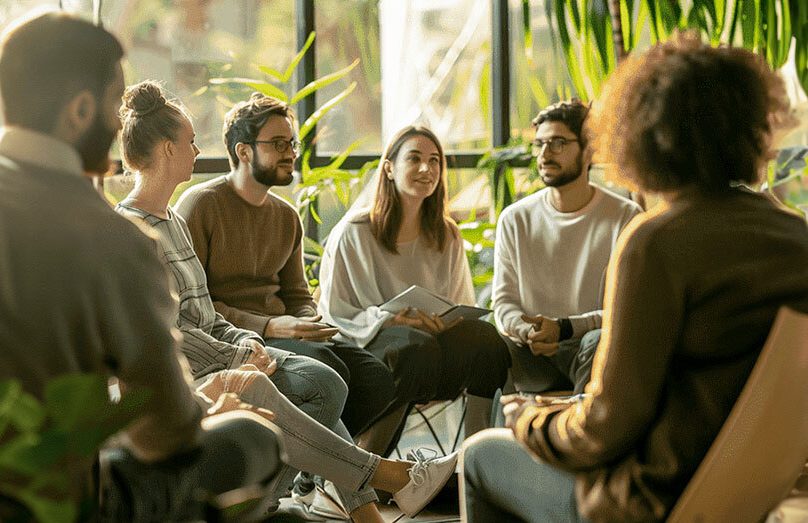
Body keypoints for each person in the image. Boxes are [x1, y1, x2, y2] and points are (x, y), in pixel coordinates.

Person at [461, 34, 808, 522]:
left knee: (479, 455)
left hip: (652, 500)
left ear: (645, 133)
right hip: (744, 494)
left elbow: (604, 428)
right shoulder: (795, 237)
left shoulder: (657, 242)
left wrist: (528, 421)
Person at [0, 12, 282, 520]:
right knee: (254, 437)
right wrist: (208, 407)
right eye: (113, 106)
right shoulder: (120, 243)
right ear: (78, 111)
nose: (122, 125)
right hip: (60, 500)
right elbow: (165, 439)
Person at [113, 81, 456, 521]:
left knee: (329, 381)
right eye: (190, 143)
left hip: (227, 348)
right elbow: (169, 332)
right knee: (320, 386)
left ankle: (336, 502)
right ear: (166, 151)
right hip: (192, 367)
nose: (197, 151)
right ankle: (366, 488)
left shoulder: (174, 220)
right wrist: (241, 349)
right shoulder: (132, 230)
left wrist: (242, 339)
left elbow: (204, 308)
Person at [174, 93, 395, 444]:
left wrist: (307, 322)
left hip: (285, 331)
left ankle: (314, 470)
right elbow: (194, 305)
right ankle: (312, 468)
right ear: (243, 151)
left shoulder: (286, 216)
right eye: (278, 144)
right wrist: (272, 325)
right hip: (236, 337)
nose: (291, 153)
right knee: (329, 370)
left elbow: (296, 294)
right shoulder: (202, 205)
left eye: (291, 143)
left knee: (379, 379)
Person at [318, 126, 511, 455]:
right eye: (415, 159)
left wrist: (446, 321)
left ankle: (476, 458)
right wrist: (393, 321)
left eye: (435, 160)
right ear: (389, 168)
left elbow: (460, 304)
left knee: (488, 340)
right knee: (415, 348)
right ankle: (368, 465)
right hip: (371, 349)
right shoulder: (354, 232)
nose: (427, 169)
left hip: (431, 352)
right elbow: (336, 313)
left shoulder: (446, 234)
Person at [492, 99, 642, 395]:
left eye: (558, 143)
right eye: (540, 144)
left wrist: (565, 327)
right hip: (533, 354)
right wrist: (530, 331)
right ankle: (485, 441)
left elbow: (628, 310)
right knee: (485, 341)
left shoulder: (625, 218)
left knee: (601, 340)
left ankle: (581, 435)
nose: (545, 155)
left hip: (591, 348)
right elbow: (504, 303)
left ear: (589, 151)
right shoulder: (515, 219)